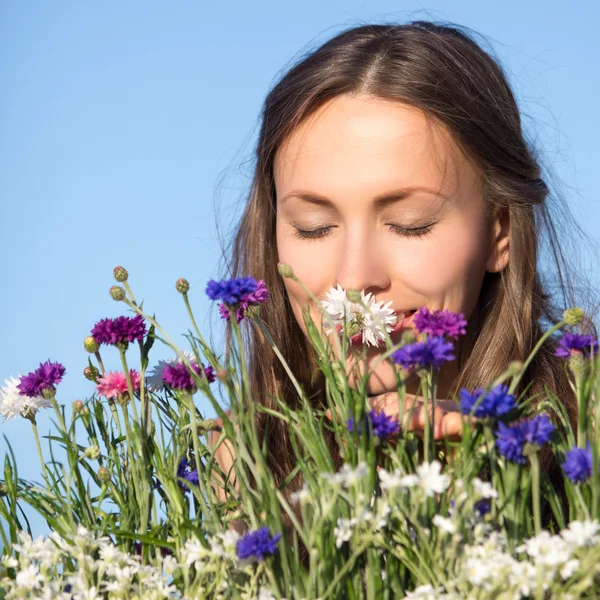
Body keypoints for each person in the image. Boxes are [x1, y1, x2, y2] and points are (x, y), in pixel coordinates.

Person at [208, 20, 595, 541]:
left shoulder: (586, 423)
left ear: (499, 231)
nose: (354, 280)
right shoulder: (239, 455)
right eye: (313, 227)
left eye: (410, 224)